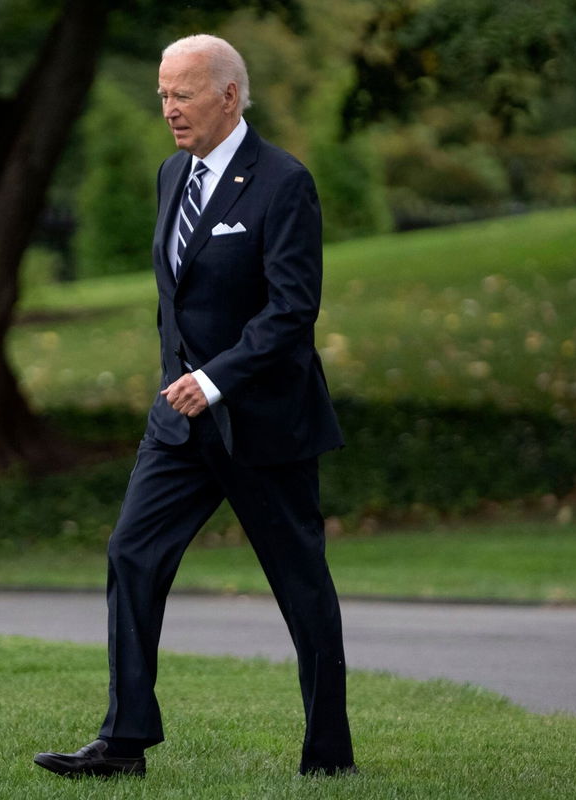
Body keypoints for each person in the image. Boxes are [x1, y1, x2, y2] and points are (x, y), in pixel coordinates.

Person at [34, 33, 356, 778]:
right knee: (131, 553)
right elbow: (175, 299)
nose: (169, 109)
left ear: (228, 97)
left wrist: (215, 379)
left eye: (182, 94)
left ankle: (329, 756)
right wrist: (178, 385)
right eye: (162, 94)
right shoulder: (170, 175)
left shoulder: (284, 182)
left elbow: (292, 310)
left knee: (300, 583)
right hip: (180, 422)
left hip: (265, 423)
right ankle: (124, 743)